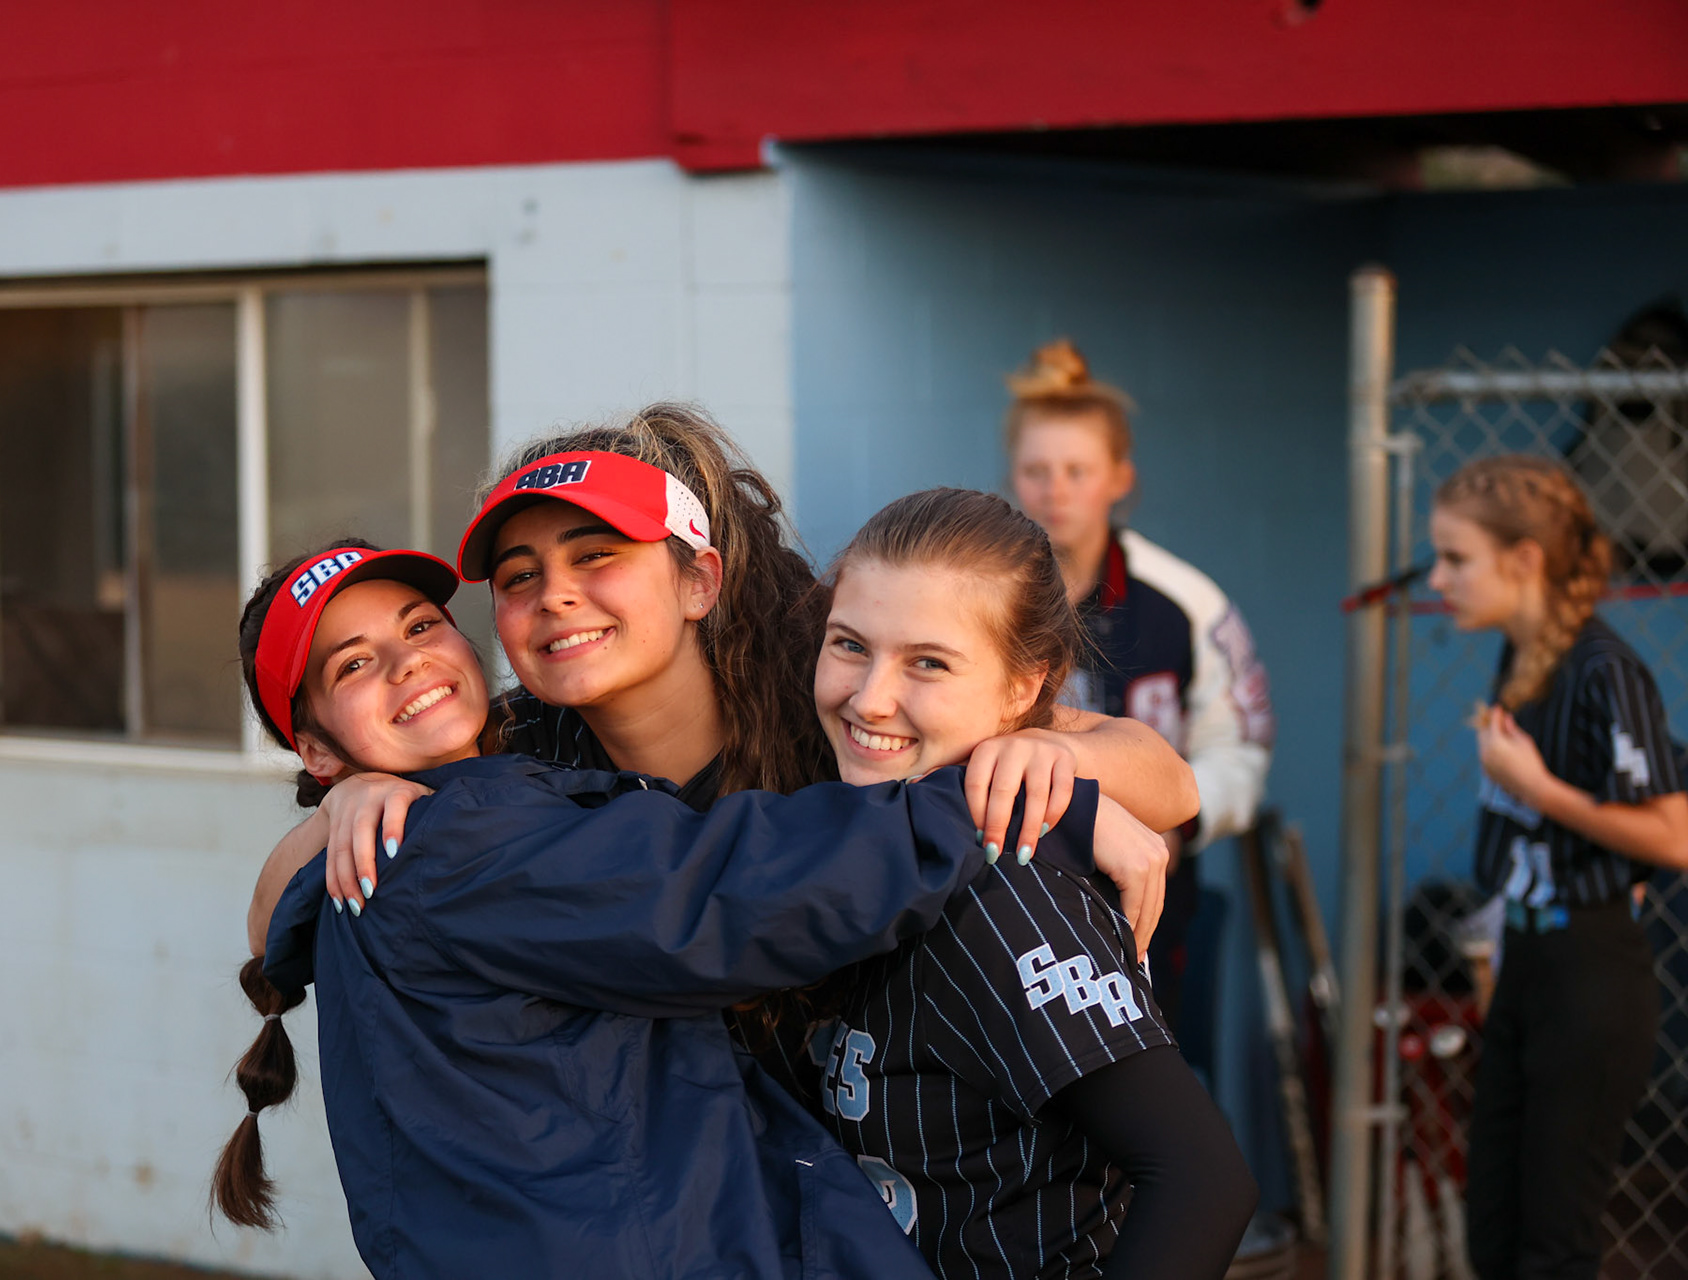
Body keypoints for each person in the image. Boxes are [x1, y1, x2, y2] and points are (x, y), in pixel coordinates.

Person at [216, 537, 1047, 1277]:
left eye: (421, 626)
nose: (406, 663)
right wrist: (1002, 803)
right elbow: (729, 893)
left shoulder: (462, 805)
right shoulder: (446, 843)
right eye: (352, 664)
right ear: (317, 748)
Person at [250, 404, 1197, 954]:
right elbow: (264, 926)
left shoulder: (830, 693)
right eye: (519, 577)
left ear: (698, 579)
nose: (556, 597)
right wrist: (347, 805)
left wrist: (1042, 764)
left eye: (596, 556)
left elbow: (1168, 778)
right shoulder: (519, 747)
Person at [781, 488, 1256, 1280]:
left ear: (1021, 687)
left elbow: (1204, 1180)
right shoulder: (841, 799)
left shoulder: (1006, 889)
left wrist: (1065, 762)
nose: (870, 698)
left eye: (927, 662)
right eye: (850, 645)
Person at [1428, 456, 1688, 1280]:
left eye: (1457, 559)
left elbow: (1674, 835)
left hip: (1591, 975)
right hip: (1529, 966)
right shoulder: (1522, 658)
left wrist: (1541, 790)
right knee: (1494, 1230)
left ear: (1525, 560)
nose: (1438, 579)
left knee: (1554, 1244)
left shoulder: (1604, 670)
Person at [1004, 340, 1275, 1044]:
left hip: (1151, 905)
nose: (1055, 490)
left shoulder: (1185, 602)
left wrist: (1179, 821)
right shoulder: (983, 597)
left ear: (1119, 477)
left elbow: (1240, 745)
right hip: (1012, 896)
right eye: (1037, 471)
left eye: (1077, 471)